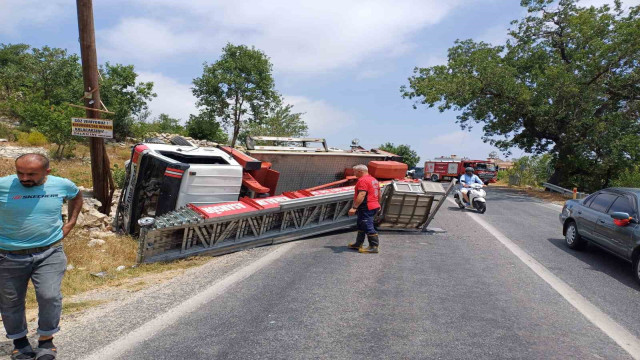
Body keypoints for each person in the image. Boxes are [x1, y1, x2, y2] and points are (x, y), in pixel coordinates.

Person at [0, 154, 83, 360]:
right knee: (11, 301)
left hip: (49, 252)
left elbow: (76, 196)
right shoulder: (3, 185)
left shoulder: (62, 185)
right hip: (8, 255)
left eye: (31, 174)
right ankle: (20, 342)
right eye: (20, 173)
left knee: (49, 296)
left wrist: (70, 223)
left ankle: (46, 340)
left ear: (47, 172)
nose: (24, 178)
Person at [347, 164, 381, 253]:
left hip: (366, 206)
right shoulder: (373, 180)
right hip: (373, 205)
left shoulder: (363, 180)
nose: (354, 173)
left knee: (367, 225)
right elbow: (378, 193)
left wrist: (354, 207)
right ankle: (358, 243)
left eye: (354, 171)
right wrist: (378, 204)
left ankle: (374, 246)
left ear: (360, 171)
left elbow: (362, 194)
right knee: (361, 224)